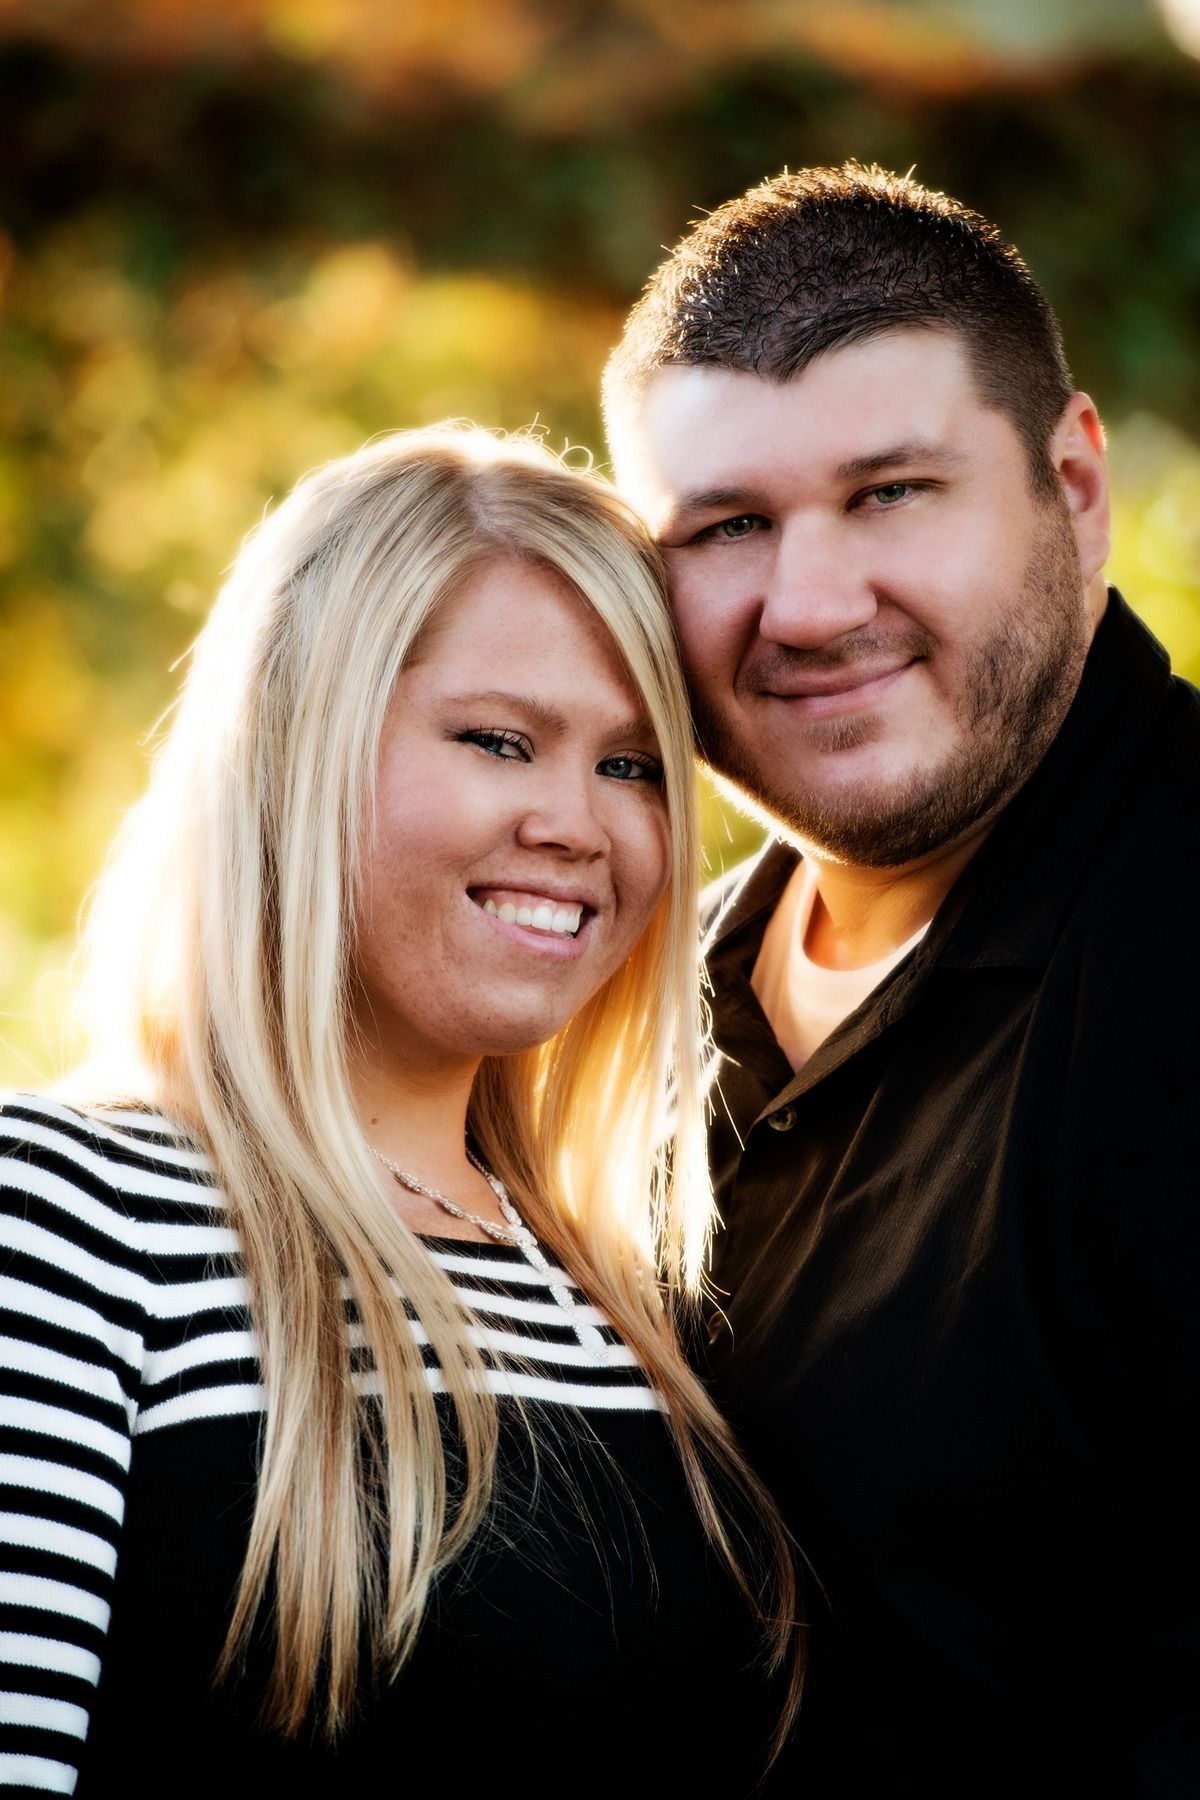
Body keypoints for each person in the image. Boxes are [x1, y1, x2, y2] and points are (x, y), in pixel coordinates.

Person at [0, 427, 801, 1797]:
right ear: (299, 749)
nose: (578, 823)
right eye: (501, 741)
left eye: (631, 766)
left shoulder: (624, 1302)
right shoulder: (64, 1216)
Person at [603, 163, 1200, 1795]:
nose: (809, 605)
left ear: (1074, 484)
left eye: (891, 494)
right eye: (726, 525)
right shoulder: (628, 999)